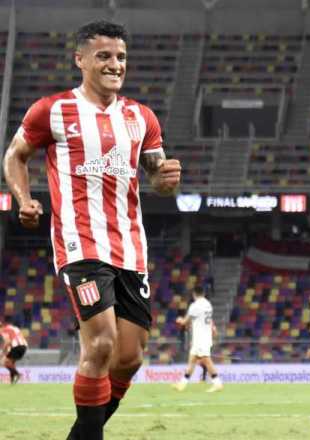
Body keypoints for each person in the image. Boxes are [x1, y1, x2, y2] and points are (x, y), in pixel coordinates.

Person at [2, 20, 181, 440]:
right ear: (80, 60)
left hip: (131, 249)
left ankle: (82, 434)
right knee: (99, 344)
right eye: (103, 56)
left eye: (120, 57)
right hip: (79, 244)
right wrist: (23, 199)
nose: (114, 64)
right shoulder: (53, 110)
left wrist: (164, 179)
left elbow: (155, 173)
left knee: (130, 356)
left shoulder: (142, 117)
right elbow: (15, 156)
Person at [172, 287, 223, 393]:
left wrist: (179, 320)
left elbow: (185, 321)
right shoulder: (208, 304)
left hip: (200, 338)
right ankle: (182, 384)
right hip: (204, 337)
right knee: (192, 360)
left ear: (194, 294)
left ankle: (217, 383)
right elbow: (204, 319)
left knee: (206, 361)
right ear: (203, 294)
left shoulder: (194, 306)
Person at [1, 317, 28, 384]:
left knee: (5, 363)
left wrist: (2, 353)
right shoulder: (14, 327)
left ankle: (18, 374)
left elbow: (7, 342)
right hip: (24, 346)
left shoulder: (3, 330)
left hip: (16, 346)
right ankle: (12, 381)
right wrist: (7, 351)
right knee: (11, 363)